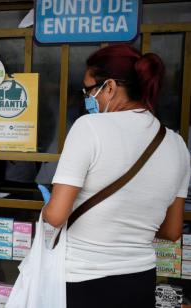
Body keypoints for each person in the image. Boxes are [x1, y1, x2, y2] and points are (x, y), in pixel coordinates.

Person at [43, 44, 190, 308]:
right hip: (140, 279)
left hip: (84, 279)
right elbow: (172, 230)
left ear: (109, 87)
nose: (87, 98)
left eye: (89, 90)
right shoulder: (177, 144)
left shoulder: (89, 127)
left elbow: (55, 215)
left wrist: (46, 208)